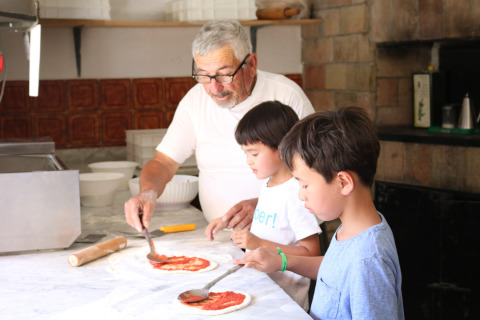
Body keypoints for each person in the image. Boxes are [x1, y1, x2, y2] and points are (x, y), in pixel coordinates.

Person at [124, 20, 314, 232]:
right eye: (204, 75)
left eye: (224, 74)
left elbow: (316, 170)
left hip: (287, 239)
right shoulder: (194, 101)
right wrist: (146, 193)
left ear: (251, 64)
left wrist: (264, 204)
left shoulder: (286, 95)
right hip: (222, 238)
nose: (214, 88)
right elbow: (164, 162)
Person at [234, 107, 404, 319]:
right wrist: (282, 261)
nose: (300, 196)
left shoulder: (368, 260)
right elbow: (333, 271)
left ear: (343, 182)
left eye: (304, 185)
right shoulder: (353, 228)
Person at [207, 101, 321, 311]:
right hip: (263, 292)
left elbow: (311, 252)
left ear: (281, 147)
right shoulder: (268, 186)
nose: (248, 161)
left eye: (254, 153)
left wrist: (258, 242)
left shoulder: (296, 193)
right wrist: (228, 223)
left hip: (286, 304)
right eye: (246, 153)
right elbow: (276, 229)